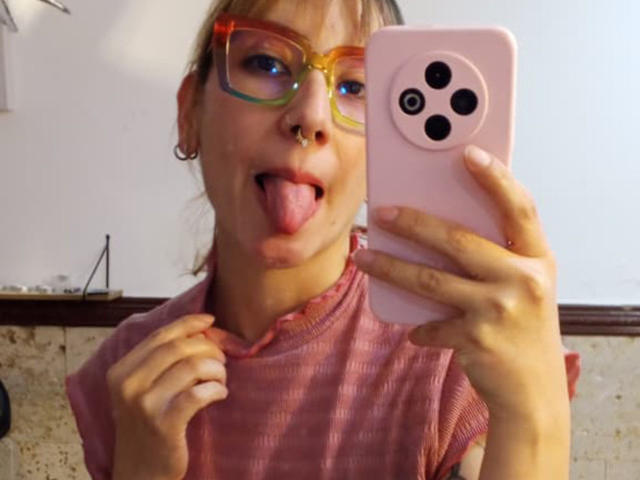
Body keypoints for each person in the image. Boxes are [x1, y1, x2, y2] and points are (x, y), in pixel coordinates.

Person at [66, 1, 581, 479]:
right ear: (189, 114)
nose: (310, 117)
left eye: (355, 87)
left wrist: (534, 414)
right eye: (267, 63)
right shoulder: (126, 377)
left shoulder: (456, 355)